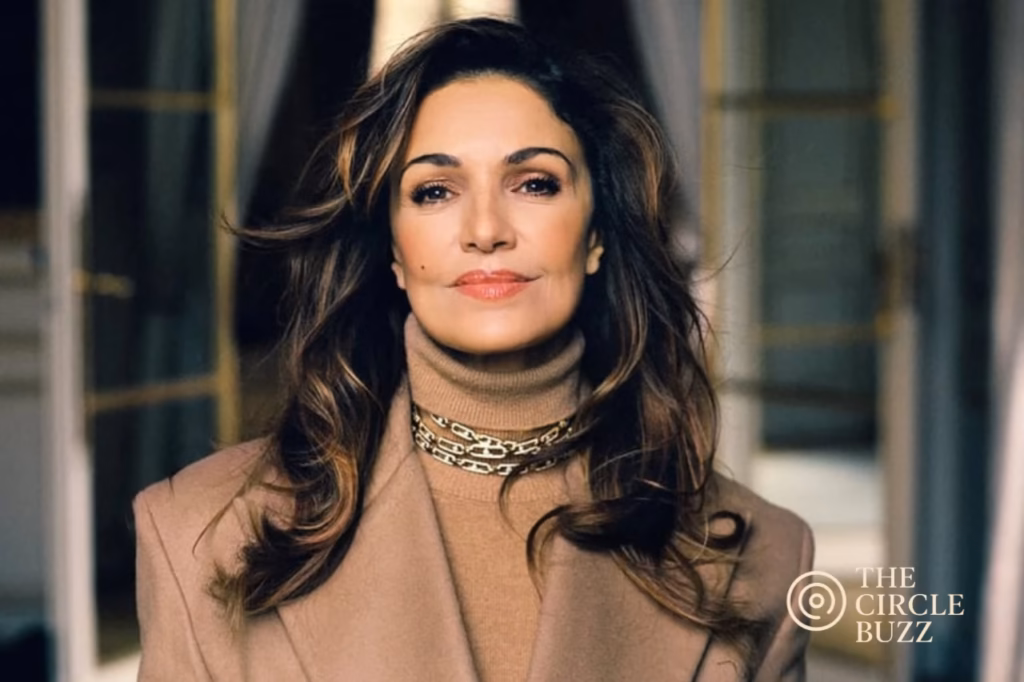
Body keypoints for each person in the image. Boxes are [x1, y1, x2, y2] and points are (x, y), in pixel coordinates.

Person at [133, 17, 814, 682]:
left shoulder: (764, 558)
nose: (486, 229)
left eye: (535, 183)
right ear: (394, 251)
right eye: (434, 191)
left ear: (596, 234)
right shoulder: (198, 533)